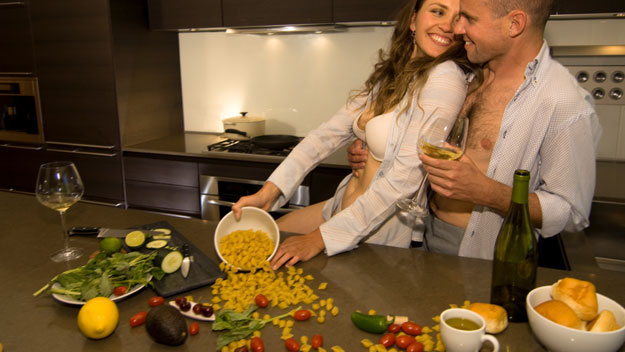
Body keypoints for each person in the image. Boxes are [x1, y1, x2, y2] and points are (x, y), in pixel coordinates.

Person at [232, 0, 480, 270]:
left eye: (458, 18)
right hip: (341, 205)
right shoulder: (393, 75)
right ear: (413, 20)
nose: (447, 25)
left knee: (276, 263)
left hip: (379, 226)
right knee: (262, 243)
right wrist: (270, 192)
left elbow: (405, 178)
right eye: (438, 11)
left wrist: (319, 239)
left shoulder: (445, 77)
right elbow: (326, 135)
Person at [348, 0, 602, 259]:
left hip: (475, 251)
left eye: (469, 19)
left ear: (514, 24)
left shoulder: (564, 102)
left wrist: (487, 192)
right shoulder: (466, 75)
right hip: (418, 230)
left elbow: (571, 213)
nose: (457, 29)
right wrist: (375, 152)